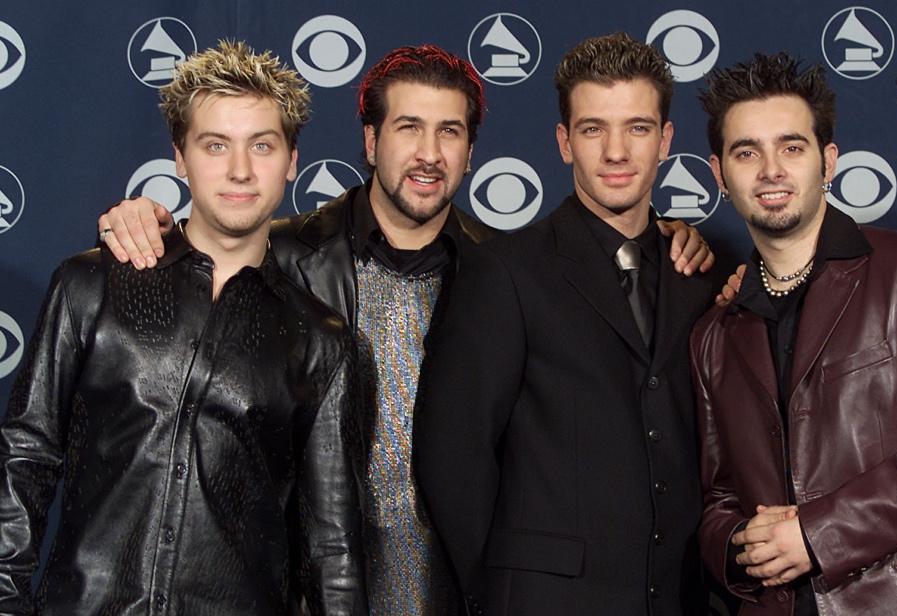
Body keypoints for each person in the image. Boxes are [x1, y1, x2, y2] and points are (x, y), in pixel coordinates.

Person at [96, 45, 713, 614]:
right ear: (370, 140)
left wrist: (671, 241)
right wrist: (152, 223)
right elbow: (206, 259)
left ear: (471, 151)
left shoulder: (506, 269)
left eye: (449, 132)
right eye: (407, 128)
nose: (428, 153)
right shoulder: (280, 254)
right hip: (300, 588)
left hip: (450, 587)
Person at [0, 41, 365, 614]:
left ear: (292, 161)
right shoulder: (89, 285)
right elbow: (26, 458)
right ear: (180, 157)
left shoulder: (321, 339)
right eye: (215, 145)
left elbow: (331, 545)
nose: (240, 170)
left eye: (262, 146)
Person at [692, 52, 897, 614]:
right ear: (718, 175)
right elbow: (719, 496)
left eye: (792, 147)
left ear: (828, 161)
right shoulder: (715, 334)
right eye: (747, 152)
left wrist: (819, 533)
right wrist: (743, 546)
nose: (771, 170)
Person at [413, 33, 715, 616]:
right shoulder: (503, 269)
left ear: (666, 141)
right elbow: (453, 451)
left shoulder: (700, 272)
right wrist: (506, 586)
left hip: (679, 598)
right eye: (593, 128)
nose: (617, 152)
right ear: (564, 142)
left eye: (638, 128)